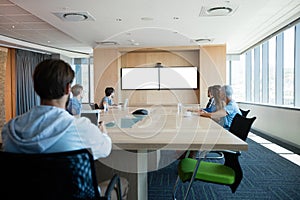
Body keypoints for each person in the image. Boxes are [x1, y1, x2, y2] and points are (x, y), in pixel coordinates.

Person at [1, 59, 128, 200]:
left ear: (36, 88)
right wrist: (103, 132)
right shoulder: (81, 128)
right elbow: (105, 149)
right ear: (68, 88)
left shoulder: (10, 129)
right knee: (123, 182)